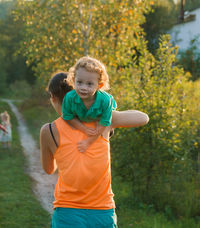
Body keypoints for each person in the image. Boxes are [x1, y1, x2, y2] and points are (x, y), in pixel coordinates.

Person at [40, 71, 149, 228]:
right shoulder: (103, 122)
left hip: (67, 211)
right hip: (102, 212)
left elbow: (49, 169)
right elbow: (143, 118)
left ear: (52, 97)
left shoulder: (49, 130)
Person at [62, 56, 117, 152]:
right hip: (83, 116)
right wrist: (83, 128)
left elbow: (104, 123)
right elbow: (68, 117)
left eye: (89, 84)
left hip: (102, 114)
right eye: (79, 82)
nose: (83, 87)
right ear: (74, 80)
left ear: (99, 85)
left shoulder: (105, 101)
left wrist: (88, 142)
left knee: (104, 126)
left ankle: (109, 129)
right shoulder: (69, 98)